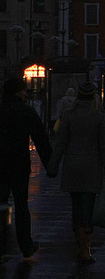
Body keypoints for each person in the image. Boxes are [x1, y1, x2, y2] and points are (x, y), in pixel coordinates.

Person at [48, 82, 105, 265]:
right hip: (92, 166)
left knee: (76, 206)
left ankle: (80, 245)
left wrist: (53, 166)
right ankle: (86, 250)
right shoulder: (99, 117)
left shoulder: (69, 116)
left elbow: (60, 143)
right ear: (94, 97)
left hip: (72, 166)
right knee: (88, 207)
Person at [0, 77, 54, 263]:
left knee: (1, 204)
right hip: (19, 165)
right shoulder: (26, 111)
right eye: (23, 90)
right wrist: (50, 166)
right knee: (21, 206)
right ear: (18, 92)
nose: (25, 93)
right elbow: (41, 139)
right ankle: (26, 245)